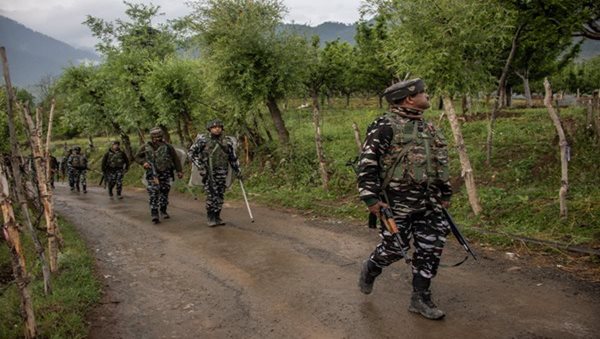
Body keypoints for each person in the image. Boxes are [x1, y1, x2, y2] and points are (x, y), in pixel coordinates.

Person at [356, 78, 453, 320]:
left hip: (430, 203)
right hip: (395, 204)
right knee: (394, 249)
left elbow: (438, 164)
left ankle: (420, 298)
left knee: (430, 248)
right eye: (424, 92)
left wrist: (445, 193)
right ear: (410, 98)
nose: (428, 96)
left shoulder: (429, 128)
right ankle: (371, 267)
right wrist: (371, 200)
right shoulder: (385, 126)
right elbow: (367, 164)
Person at [188, 119, 241, 227]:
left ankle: (217, 216)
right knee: (211, 195)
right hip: (208, 172)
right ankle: (211, 217)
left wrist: (238, 170)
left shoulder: (227, 141)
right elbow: (191, 153)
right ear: (210, 129)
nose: (217, 129)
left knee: (220, 194)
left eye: (219, 127)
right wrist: (200, 165)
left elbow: (233, 158)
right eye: (214, 127)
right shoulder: (203, 140)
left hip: (222, 172)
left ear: (222, 128)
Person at [135, 127, 183, 224]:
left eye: (159, 136)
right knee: (154, 193)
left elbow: (175, 159)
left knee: (164, 192)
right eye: (156, 136)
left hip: (165, 172)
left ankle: (163, 210)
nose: (158, 138)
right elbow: (137, 157)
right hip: (152, 174)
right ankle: (154, 214)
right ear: (152, 136)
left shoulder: (168, 146)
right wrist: (143, 162)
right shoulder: (146, 146)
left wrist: (179, 171)